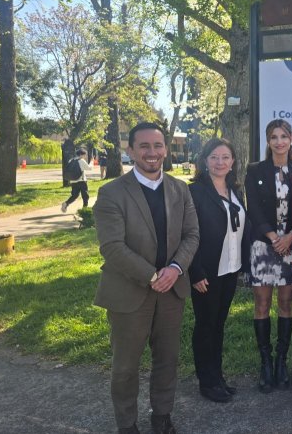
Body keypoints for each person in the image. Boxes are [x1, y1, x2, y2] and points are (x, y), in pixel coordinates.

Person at [93, 122, 199, 434]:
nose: (152, 153)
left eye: (158, 146)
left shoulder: (180, 189)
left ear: (166, 149)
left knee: (167, 359)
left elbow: (192, 235)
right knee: (126, 366)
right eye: (144, 146)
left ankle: (162, 416)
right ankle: (127, 424)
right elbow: (111, 246)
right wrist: (153, 275)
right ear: (131, 151)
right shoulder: (111, 193)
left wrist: (175, 269)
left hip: (172, 291)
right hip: (129, 292)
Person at [244, 119, 292, 392]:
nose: (279, 141)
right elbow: (254, 210)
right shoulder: (255, 170)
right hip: (263, 245)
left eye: (284, 136)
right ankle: (265, 363)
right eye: (274, 137)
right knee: (261, 304)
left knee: (286, 303)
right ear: (268, 141)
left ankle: (282, 361)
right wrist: (273, 237)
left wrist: (291, 236)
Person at [187, 138, 252, 403]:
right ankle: (207, 381)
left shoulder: (234, 189)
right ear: (205, 160)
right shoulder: (195, 192)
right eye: (214, 157)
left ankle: (218, 376)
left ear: (233, 161)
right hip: (206, 272)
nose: (220, 162)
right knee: (206, 326)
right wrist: (195, 272)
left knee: (218, 325)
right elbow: (187, 234)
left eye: (225, 157)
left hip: (230, 268)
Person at [61, 148, 92, 213]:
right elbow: (89, 168)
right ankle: (85, 209)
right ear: (81, 154)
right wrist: (92, 162)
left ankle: (66, 203)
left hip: (73, 181)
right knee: (85, 195)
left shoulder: (71, 160)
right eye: (84, 155)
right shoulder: (81, 160)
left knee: (74, 195)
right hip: (81, 180)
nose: (85, 156)